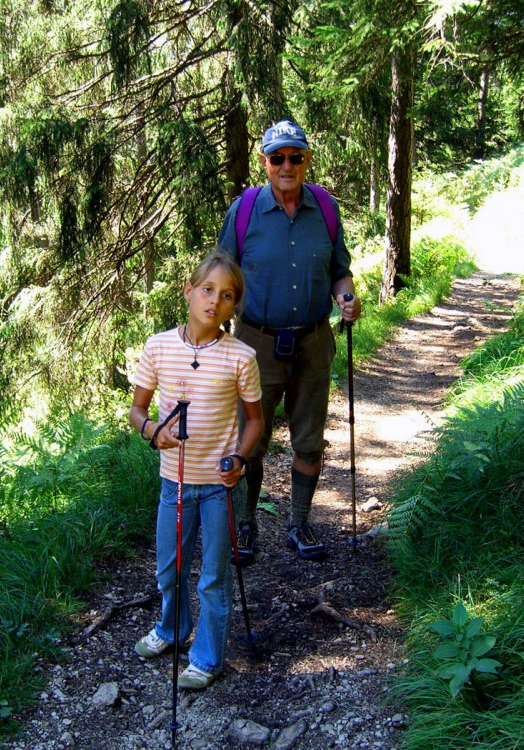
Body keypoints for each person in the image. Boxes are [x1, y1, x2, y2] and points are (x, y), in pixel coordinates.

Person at [217, 118, 362, 564]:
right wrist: (211, 333)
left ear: (306, 161)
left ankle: (298, 523)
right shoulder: (244, 213)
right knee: (250, 440)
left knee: (309, 440)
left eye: (295, 157)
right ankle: (247, 523)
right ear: (264, 163)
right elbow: (220, 276)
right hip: (255, 344)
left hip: (314, 341)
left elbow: (339, 270)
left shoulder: (325, 209)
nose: (286, 165)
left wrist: (347, 298)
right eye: (277, 157)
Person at [129, 252, 263, 690]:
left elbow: (255, 421)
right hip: (175, 482)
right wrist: (152, 431)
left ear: (233, 306)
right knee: (169, 568)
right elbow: (137, 409)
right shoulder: (158, 346)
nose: (214, 301)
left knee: (213, 577)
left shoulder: (240, 356)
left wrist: (240, 459)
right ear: (188, 291)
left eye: (227, 296)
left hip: (220, 487)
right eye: (207, 290)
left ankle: (206, 657)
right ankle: (171, 629)